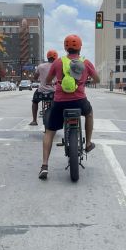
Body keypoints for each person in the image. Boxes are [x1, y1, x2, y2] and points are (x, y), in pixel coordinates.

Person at [39, 34, 98, 180]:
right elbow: (98, 79)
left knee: (49, 131)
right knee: (89, 113)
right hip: (79, 100)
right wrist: (86, 79)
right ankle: (88, 143)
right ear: (80, 47)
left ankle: (45, 166)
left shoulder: (58, 62)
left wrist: (54, 81)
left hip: (60, 102)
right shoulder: (86, 62)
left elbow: (47, 80)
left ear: (66, 47)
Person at [30, 50, 57, 125]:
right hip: (54, 92)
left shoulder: (40, 66)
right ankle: (60, 119)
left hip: (41, 91)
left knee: (34, 102)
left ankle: (34, 120)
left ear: (47, 57)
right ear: (56, 58)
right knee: (60, 103)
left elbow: (35, 77)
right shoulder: (58, 66)